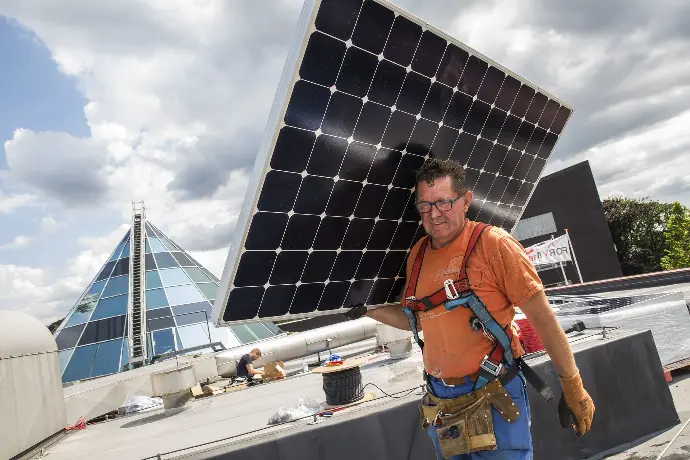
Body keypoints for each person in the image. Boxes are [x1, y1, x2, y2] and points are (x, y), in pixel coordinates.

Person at [344, 158, 594, 459]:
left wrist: (573, 383)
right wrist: (369, 310)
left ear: (466, 201)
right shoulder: (418, 255)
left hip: (495, 394)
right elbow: (419, 321)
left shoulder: (493, 245)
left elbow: (542, 317)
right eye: (425, 206)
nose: (434, 215)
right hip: (443, 402)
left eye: (444, 203)